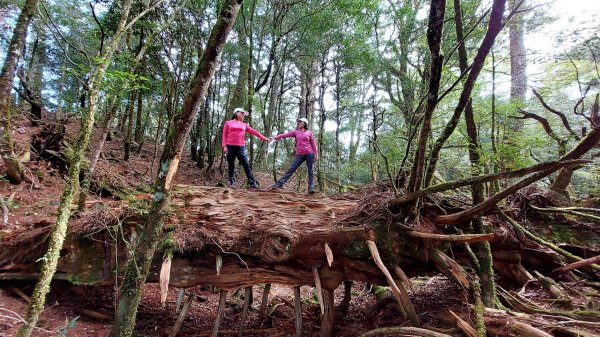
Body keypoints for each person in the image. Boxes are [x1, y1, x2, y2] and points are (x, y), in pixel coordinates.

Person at [222, 107, 270, 188]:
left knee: (246, 165)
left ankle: (252, 183)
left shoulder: (244, 124)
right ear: (236, 113)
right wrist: (224, 146)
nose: (243, 115)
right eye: (242, 113)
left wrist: (264, 138)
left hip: (241, 147)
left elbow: (254, 132)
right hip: (230, 147)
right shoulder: (228, 123)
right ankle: (232, 183)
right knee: (231, 166)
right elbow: (224, 135)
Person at [271, 117, 318, 193]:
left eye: (300, 122)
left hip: (309, 153)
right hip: (300, 154)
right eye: (298, 121)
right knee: (291, 169)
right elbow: (285, 135)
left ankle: (311, 188)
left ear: (304, 123)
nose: (299, 123)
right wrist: (274, 138)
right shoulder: (296, 132)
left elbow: (313, 144)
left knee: (311, 171)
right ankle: (279, 184)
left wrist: (316, 154)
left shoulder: (309, 133)